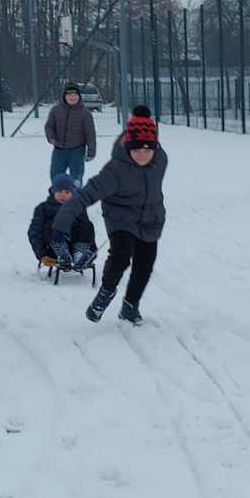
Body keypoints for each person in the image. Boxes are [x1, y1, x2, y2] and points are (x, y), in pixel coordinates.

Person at [58, 109, 166, 326]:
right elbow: (87, 194)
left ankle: (130, 306)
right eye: (136, 149)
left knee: (145, 263)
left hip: (149, 219)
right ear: (127, 146)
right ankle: (105, 293)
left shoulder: (160, 160)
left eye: (148, 149)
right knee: (121, 254)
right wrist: (64, 217)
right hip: (121, 218)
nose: (142, 154)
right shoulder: (116, 170)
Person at [29, 173, 97, 272]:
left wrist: (91, 251)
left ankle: (80, 254)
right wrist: (42, 255)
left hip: (74, 247)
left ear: (72, 193)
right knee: (56, 223)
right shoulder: (43, 208)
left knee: (86, 225)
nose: (63, 195)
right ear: (53, 191)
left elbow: (88, 233)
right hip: (52, 249)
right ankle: (61, 251)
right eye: (59, 191)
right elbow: (34, 232)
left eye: (67, 192)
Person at [44, 82, 95, 185]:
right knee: (56, 176)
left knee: (76, 178)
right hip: (59, 149)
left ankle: (76, 198)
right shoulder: (56, 110)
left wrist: (91, 151)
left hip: (77, 150)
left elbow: (90, 134)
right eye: (69, 94)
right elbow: (49, 126)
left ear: (79, 96)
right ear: (64, 96)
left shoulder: (85, 113)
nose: (72, 97)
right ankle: (57, 198)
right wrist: (52, 138)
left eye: (75, 94)